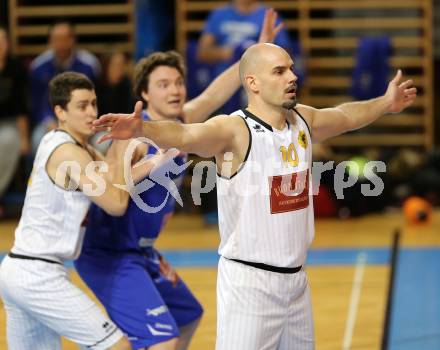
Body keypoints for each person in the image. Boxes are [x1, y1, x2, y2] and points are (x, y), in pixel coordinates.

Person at [93, 42, 417, 349]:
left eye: (291, 69)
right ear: (253, 82)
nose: (292, 77)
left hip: (296, 283)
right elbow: (187, 134)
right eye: (279, 71)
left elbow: (346, 116)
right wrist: (143, 129)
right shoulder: (235, 130)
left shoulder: (303, 119)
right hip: (250, 284)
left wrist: (386, 103)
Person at [75, 9, 284, 350]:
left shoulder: (181, 122)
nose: (174, 90)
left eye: (178, 83)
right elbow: (111, 189)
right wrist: (147, 164)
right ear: (144, 94)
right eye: (163, 84)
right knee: (163, 342)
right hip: (109, 254)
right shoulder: (135, 139)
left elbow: (215, 94)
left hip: (142, 251)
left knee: (188, 315)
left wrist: (257, 51)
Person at [0, 72, 140, 350]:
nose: (91, 112)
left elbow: (112, 175)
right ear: (60, 112)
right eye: (82, 106)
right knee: (117, 346)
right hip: (38, 276)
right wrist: (126, 148)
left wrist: (126, 142)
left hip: (22, 270)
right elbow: (116, 203)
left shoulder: (73, 145)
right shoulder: (69, 153)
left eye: (93, 104)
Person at [29, 20, 100, 154]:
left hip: (83, 118)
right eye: (56, 39)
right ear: (50, 40)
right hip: (50, 121)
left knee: (103, 142)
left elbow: (95, 99)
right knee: (38, 139)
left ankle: (94, 174)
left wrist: (83, 120)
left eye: (65, 38)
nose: (60, 43)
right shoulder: (38, 67)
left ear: (73, 40)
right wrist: (49, 121)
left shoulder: (89, 65)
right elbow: (36, 104)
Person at [0, 26, 30, 217]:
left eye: (3, 40)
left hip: (9, 123)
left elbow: (21, 107)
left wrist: (25, 137)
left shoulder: (16, 69)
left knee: (9, 140)